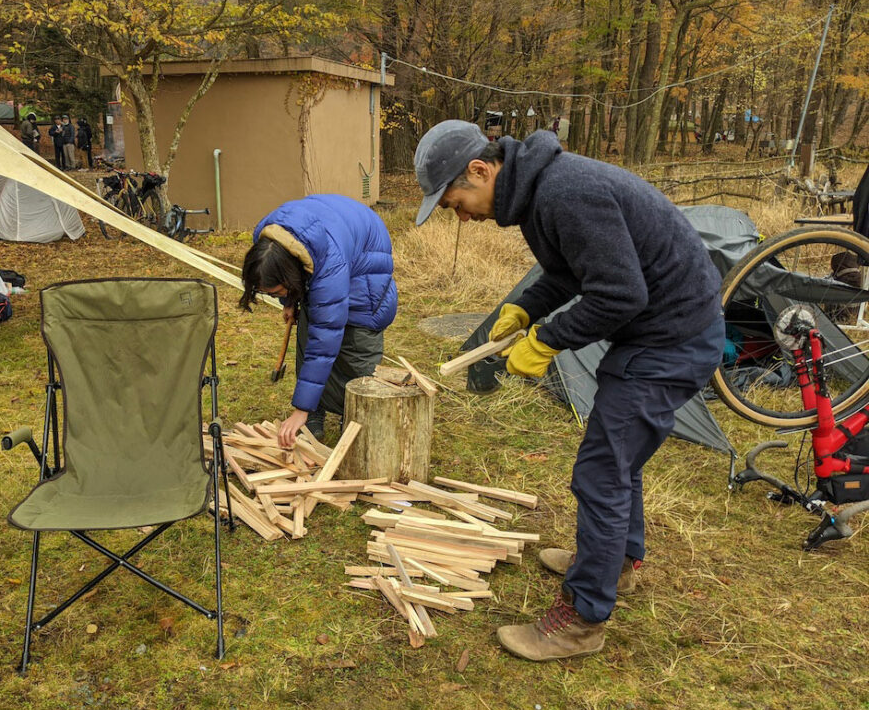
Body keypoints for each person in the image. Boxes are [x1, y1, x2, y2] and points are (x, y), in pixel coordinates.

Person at [414, 120, 724, 661]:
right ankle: (616, 565)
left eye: (455, 201)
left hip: (671, 339)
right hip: (658, 333)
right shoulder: (540, 194)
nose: (460, 216)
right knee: (618, 462)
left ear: (481, 170)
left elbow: (620, 294)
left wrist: (547, 341)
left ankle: (581, 621)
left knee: (601, 473)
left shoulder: (565, 192)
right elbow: (569, 273)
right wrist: (526, 309)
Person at [239, 195, 397, 448]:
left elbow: (325, 339)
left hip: (366, 265)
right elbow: (280, 274)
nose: (274, 297)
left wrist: (299, 408)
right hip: (333, 236)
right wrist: (289, 301)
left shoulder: (330, 268)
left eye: (277, 292)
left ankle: (356, 416)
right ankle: (314, 416)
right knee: (309, 331)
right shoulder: (268, 239)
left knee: (355, 347)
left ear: (292, 277)